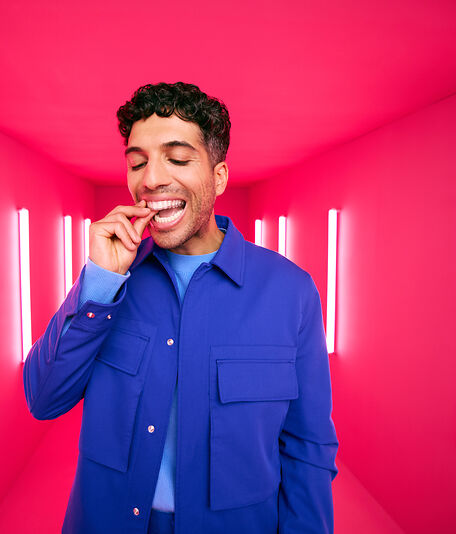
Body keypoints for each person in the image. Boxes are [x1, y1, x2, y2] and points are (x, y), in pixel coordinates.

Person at [23, 82, 338, 534]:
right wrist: (99, 282)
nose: (150, 180)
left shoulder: (293, 293)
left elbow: (308, 449)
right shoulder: (109, 284)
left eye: (178, 158)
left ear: (219, 177)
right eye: (137, 162)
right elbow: (43, 397)